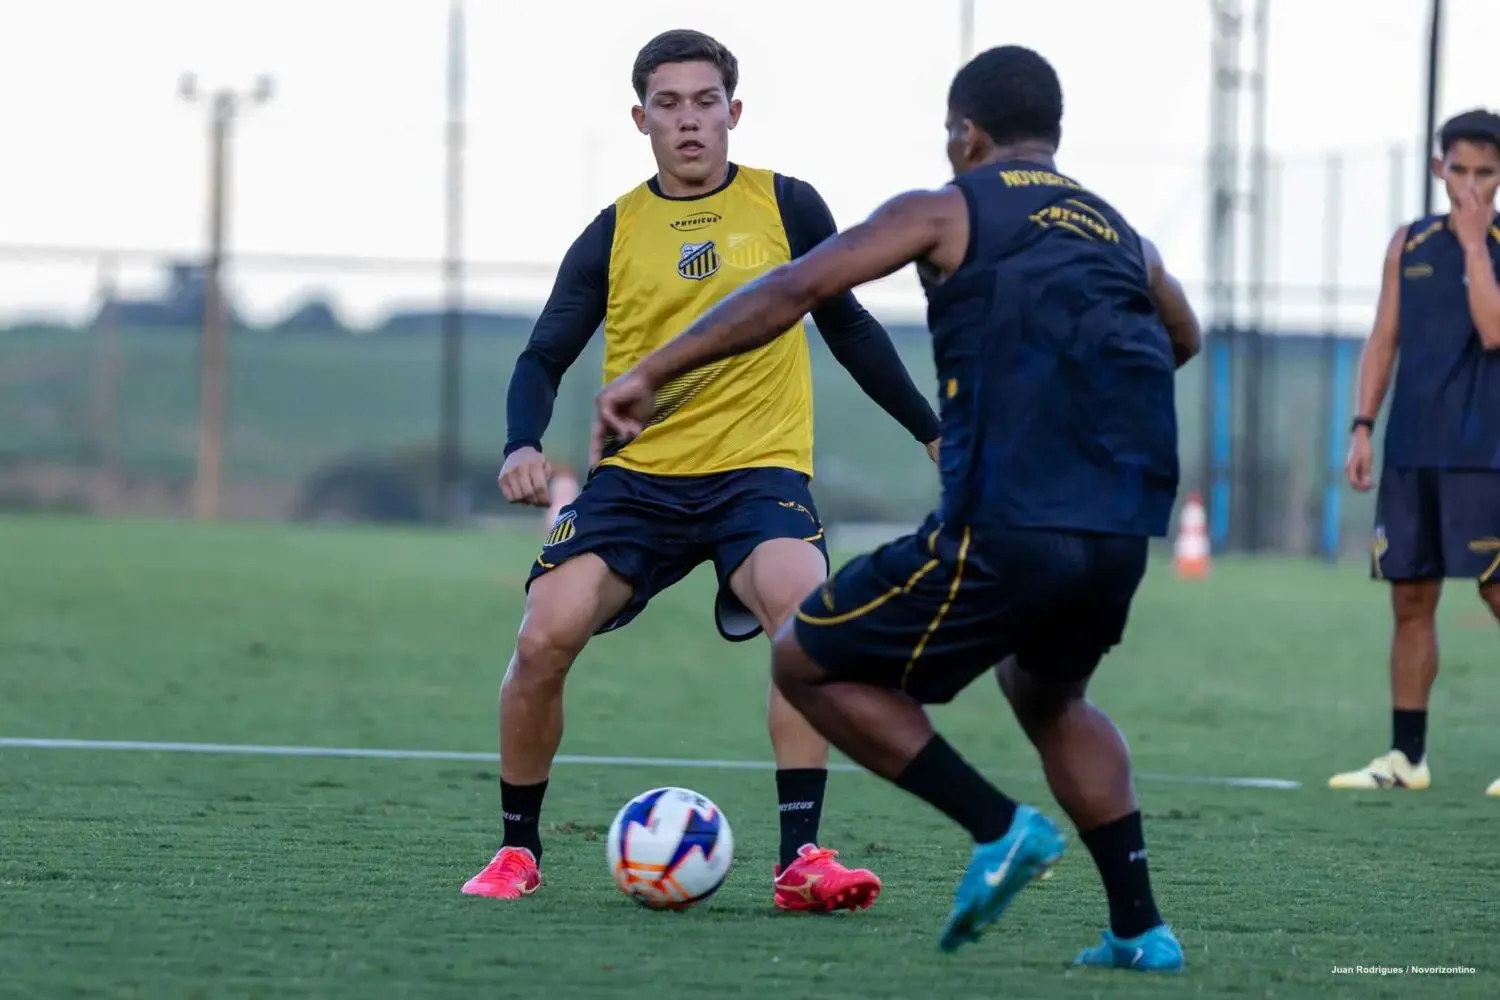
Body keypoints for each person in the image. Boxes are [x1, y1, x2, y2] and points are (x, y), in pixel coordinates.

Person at [594, 45, 1199, 972]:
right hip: (1117, 530)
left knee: (804, 658)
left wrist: (649, 373)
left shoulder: (945, 207)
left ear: (966, 135)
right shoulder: (1122, 234)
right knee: (1049, 694)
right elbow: (1182, 337)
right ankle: (1140, 930)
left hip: (1009, 522)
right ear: (1054, 135)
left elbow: (799, 288)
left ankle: (998, 829)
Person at [461, 29, 942, 910]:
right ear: (641, 118)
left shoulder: (789, 207)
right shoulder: (613, 230)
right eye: (670, 105)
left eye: (706, 102)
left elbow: (852, 331)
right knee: (542, 639)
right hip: (636, 483)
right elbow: (542, 355)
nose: (690, 121)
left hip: (757, 477)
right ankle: (517, 853)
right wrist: (520, 443)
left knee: (808, 624)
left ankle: (802, 860)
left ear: (735, 111)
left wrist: (928, 430)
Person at [1333, 109, 1500, 797]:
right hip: (1412, 448)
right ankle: (1406, 758)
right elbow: (1383, 337)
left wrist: (1471, 245)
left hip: (1487, 452)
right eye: (1459, 170)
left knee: (1496, 592)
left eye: (1485, 173)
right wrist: (1363, 424)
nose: (1470, 185)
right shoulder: (1408, 243)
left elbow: (1492, 332)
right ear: (1440, 168)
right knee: (1410, 597)